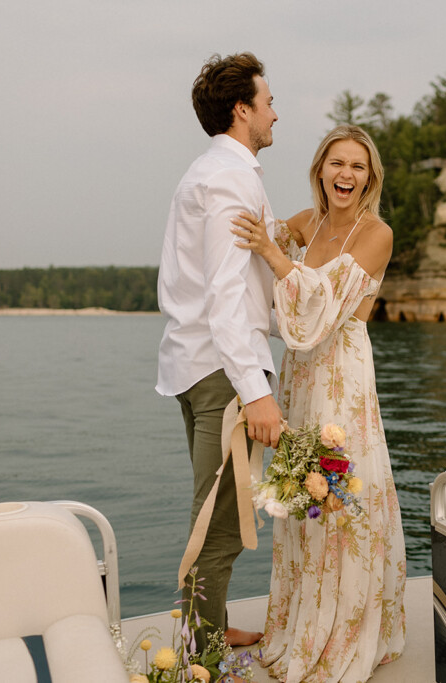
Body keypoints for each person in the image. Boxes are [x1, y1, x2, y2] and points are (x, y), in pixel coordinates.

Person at [230, 125, 407, 683]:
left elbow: (324, 302)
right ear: (321, 170)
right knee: (302, 493)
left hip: (343, 373)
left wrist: (272, 255)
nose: (346, 175)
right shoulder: (306, 224)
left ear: (369, 176)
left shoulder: (377, 233)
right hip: (301, 375)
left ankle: (347, 630)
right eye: (336, 163)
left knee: (342, 492)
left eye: (357, 166)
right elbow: (256, 249)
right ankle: (300, 621)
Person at [155, 52, 283, 654]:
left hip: (193, 363)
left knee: (216, 508)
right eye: (269, 102)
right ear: (242, 110)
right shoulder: (231, 178)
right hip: (222, 373)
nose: (275, 115)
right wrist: (256, 390)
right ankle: (200, 651)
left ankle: (207, 625)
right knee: (221, 519)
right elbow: (226, 291)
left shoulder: (207, 171)